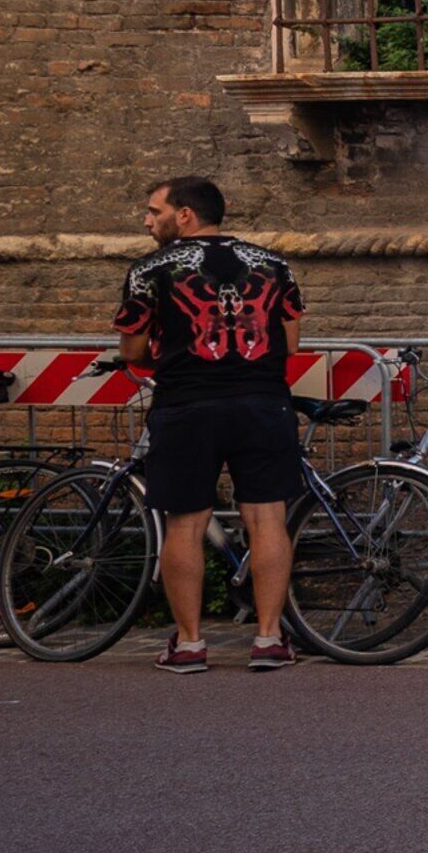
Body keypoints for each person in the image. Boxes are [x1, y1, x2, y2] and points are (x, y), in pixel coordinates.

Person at [114, 175, 306, 673]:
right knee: (266, 518)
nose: (146, 220)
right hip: (262, 402)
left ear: (185, 215)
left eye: (153, 211)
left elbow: (132, 349)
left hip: (186, 406)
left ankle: (190, 644)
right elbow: (292, 341)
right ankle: (268, 639)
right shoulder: (274, 264)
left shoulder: (148, 271)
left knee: (186, 523)